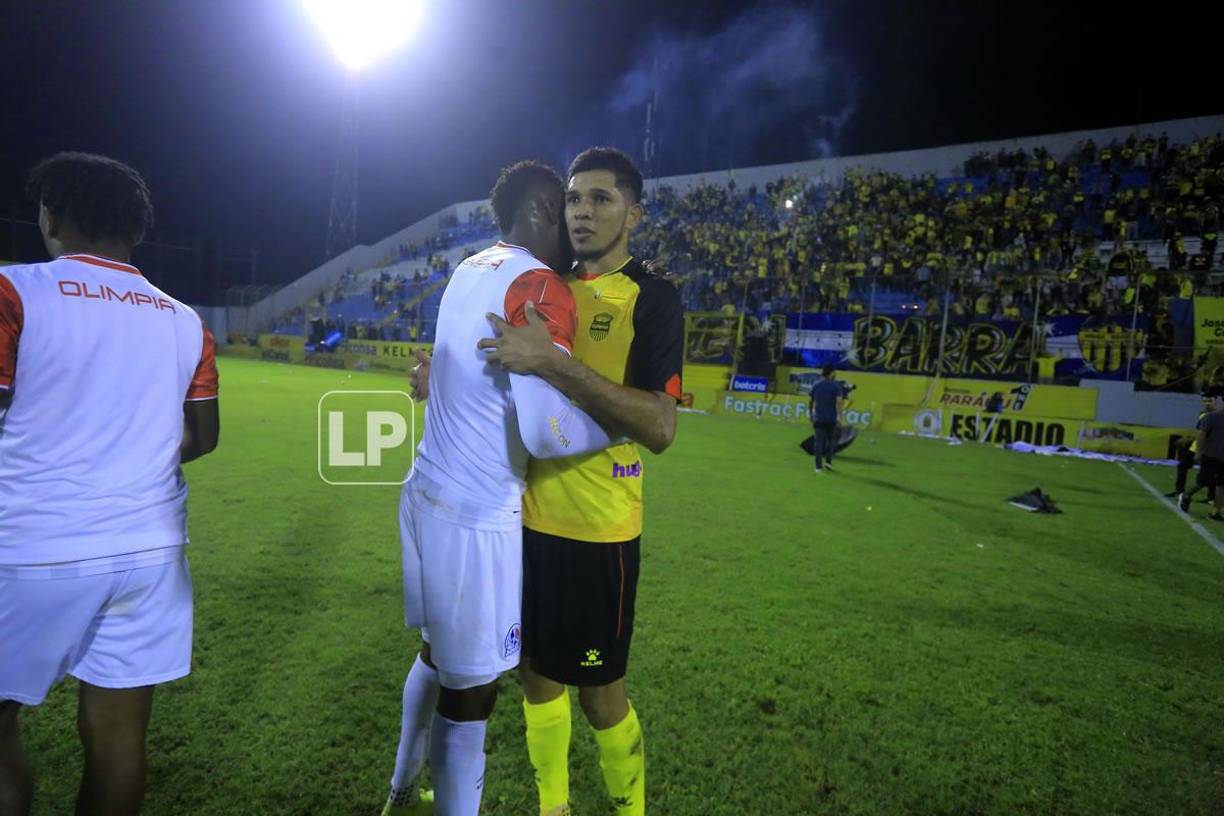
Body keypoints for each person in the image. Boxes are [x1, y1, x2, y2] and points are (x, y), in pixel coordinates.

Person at [381, 161, 620, 816]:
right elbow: (545, 434)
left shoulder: (471, 266)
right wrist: (615, 426)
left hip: (426, 489)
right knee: (473, 692)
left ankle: (400, 789)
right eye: (565, 209)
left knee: (435, 658)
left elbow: (459, 372)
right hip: (475, 515)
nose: (575, 226)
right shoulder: (541, 285)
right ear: (541, 209)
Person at [0, 152, 220, 816]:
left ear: (50, 216)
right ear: (136, 228)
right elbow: (202, 435)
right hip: (150, 557)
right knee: (120, 740)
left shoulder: (15, 290)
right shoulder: (185, 319)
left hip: (29, 550)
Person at [475, 147, 684, 816]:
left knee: (600, 695)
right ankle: (553, 807)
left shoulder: (652, 296)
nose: (582, 212)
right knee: (536, 678)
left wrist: (554, 364)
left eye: (600, 198)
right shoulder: (547, 285)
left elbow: (659, 426)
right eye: (573, 199)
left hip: (599, 532)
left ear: (634, 214)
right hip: (524, 522)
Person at [1171, 390, 1216, 505]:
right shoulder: (1202, 414)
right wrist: (1190, 439)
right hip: (1195, 448)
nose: (1207, 403)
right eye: (1204, 401)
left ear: (1215, 401)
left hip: (1207, 450)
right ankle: (1180, 492)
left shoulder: (1216, 416)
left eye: (1209, 401)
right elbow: (1200, 432)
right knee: (1183, 466)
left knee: (1209, 473)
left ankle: (1211, 497)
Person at [808, 363, 845, 473]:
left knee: (818, 442)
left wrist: (810, 414)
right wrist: (840, 416)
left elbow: (810, 401)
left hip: (818, 418)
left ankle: (818, 467)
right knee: (831, 440)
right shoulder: (836, 386)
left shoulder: (816, 385)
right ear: (832, 372)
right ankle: (828, 462)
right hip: (831, 418)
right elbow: (839, 402)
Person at [1194, 396, 1224, 522]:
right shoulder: (1212, 417)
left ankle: (1215, 512)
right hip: (1211, 455)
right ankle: (1186, 495)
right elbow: (1201, 434)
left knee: (1222, 485)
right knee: (1202, 482)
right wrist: (1198, 452)